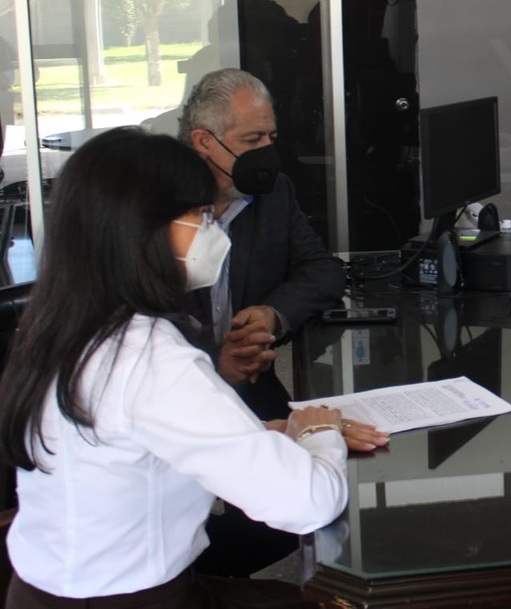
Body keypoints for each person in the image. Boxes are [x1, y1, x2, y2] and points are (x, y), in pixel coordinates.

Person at [0, 127, 348, 607]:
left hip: (37, 592)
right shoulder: (151, 358)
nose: (213, 231)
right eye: (202, 215)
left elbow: (132, 441)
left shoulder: (52, 327)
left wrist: (268, 433)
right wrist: (321, 433)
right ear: (145, 230)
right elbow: (308, 503)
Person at [177, 67, 388, 450]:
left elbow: (323, 270)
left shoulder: (274, 193)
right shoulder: (159, 212)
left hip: (258, 394)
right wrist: (217, 364)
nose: (267, 152)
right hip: (179, 405)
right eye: (252, 139)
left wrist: (272, 314)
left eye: (271, 138)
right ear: (204, 141)